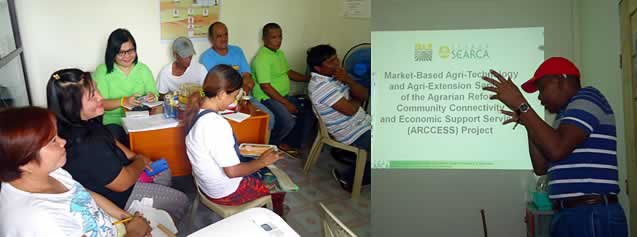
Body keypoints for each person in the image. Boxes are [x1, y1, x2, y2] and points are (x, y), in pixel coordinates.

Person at [482, 57, 628, 237]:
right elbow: (541, 167)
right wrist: (527, 123)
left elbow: (556, 149)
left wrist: (521, 103)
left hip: (591, 214)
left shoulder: (588, 98)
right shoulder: (564, 117)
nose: (540, 97)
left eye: (542, 88)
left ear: (561, 80)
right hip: (569, 215)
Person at [47, 68, 189, 223]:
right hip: (120, 196)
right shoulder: (85, 145)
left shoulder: (83, 121)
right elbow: (123, 183)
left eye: (97, 89)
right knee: (181, 201)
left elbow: (111, 140)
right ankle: (153, 220)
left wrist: (134, 156)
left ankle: (156, 216)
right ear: (71, 106)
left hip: (121, 172)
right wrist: (140, 161)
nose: (100, 97)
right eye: (92, 95)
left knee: (164, 171)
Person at [0, 106, 152, 237]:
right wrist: (136, 232)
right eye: (53, 141)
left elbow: (83, 194)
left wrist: (126, 218)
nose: (63, 142)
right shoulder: (40, 220)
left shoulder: (49, 172)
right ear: (25, 162)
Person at [184, 64, 287, 216]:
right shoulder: (215, 124)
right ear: (221, 94)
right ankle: (274, 217)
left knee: (257, 167)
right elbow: (232, 172)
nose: (233, 102)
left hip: (206, 186)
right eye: (233, 96)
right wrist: (263, 161)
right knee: (277, 185)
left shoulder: (197, 111)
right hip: (226, 193)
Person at [306, 44, 371, 192]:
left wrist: (349, 81)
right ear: (318, 68)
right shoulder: (321, 86)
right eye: (330, 62)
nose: (337, 63)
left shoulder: (335, 77)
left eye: (336, 58)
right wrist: (355, 98)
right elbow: (350, 110)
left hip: (361, 123)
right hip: (350, 132)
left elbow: (364, 95)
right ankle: (349, 179)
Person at [199, 21, 275, 131]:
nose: (224, 38)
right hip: (221, 99)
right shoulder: (206, 57)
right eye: (219, 36)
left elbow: (247, 77)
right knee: (226, 125)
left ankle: (263, 146)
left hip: (243, 95)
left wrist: (242, 96)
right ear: (211, 38)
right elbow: (212, 87)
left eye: (226, 34)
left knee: (269, 118)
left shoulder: (237, 51)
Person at [93, 28, 159, 146]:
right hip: (114, 123)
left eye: (130, 51)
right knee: (120, 142)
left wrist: (152, 97)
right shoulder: (102, 71)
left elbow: (155, 94)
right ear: (112, 53)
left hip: (142, 119)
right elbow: (100, 103)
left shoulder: (143, 69)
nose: (127, 56)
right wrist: (124, 101)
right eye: (121, 52)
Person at [252, 23, 310, 153]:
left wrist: (309, 79)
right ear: (264, 39)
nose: (278, 40)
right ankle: (272, 143)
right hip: (267, 97)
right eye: (274, 37)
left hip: (282, 96)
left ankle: (291, 143)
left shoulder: (279, 53)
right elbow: (266, 87)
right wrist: (286, 104)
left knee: (307, 109)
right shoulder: (262, 58)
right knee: (287, 121)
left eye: (280, 37)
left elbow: (289, 73)